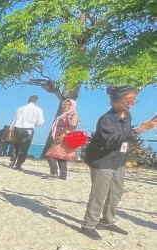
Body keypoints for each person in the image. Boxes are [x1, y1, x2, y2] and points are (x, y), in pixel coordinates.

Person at [79, 86, 157, 240]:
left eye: (132, 101)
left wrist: (149, 124)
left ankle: (107, 221)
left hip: (119, 160)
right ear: (113, 101)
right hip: (102, 161)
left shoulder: (127, 116)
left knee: (116, 193)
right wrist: (138, 131)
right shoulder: (106, 119)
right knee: (99, 194)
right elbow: (109, 142)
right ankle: (88, 225)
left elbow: (125, 138)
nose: (129, 105)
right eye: (125, 102)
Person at [46, 99, 80, 180]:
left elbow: (73, 126)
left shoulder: (72, 114)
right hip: (60, 137)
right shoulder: (63, 115)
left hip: (64, 138)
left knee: (50, 155)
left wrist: (63, 135)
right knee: (61, 157)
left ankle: (54, 173)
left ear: (72, 106)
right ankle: (63, 175)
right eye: (65, 104)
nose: (66, 106)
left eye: (68, 104)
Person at [9, 95, 44, 169]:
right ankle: (18, 164)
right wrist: (36, 124)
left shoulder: (20, 109)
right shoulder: (38, 109)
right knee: (24, 147)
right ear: (36, 101)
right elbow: (40, 122)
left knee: (16, 145)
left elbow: (14, 120)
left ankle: (12, 160)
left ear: (28, 100)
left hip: (17, 128)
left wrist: (11, 129)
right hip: (28, 129)